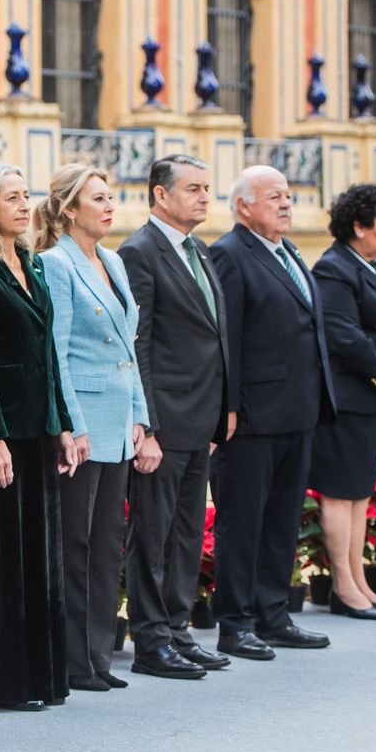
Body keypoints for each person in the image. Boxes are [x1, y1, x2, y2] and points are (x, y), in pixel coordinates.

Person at [0, 163, 82, 710]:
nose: (25, 205)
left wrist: (65, 424)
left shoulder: (30, 261)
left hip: (40, 427)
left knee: (40, 553)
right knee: (0, 553)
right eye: (12, 197)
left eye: (27, 196)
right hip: (1, 432)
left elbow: (48, 350)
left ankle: (40, 676)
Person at [208, 165, 336, 661]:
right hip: (253, 418)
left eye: (288, 196)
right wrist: (229, 409)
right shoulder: (230, 255)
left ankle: (273, 613)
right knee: (243, 522)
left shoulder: (289, 252)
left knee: (282, 519)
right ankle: (235, 623)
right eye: (273, 197)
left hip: (297, 412)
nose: (286, 204)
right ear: (244, 205)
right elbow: (228, 341)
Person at [117, 155, 233, 679]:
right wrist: (148, 427)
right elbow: (138, 343)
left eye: (207, 188)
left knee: (186, 532)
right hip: (164, 422)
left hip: (202, 416)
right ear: (161, 195)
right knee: (154, 533)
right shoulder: (139, 252)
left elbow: (215, 335)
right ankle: (150, 640)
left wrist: (224, 407)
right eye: (193, 188)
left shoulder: (200, 250)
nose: (205, 197)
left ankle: (179, 627)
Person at [35, 164, 149, 692]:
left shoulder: (114, 261)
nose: (110, 207)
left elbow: (130, 349)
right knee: (76, 544)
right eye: (98, 198)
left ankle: (99, 654)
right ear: (68, 208)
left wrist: (141, 419)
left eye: (111, 197)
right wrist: (71, 424)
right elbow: (54, 351)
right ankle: (74, 659)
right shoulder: (55, 264)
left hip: (119, 420)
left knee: (108, 544)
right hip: (82, 423)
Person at [308, 184, 376, 621]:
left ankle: (359, 580)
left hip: (373, 398)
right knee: (340, 493)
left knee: (359, 493)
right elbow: (345, 335)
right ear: (359, 226)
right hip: (348, 399)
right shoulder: (335, 268)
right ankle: (343, 586)